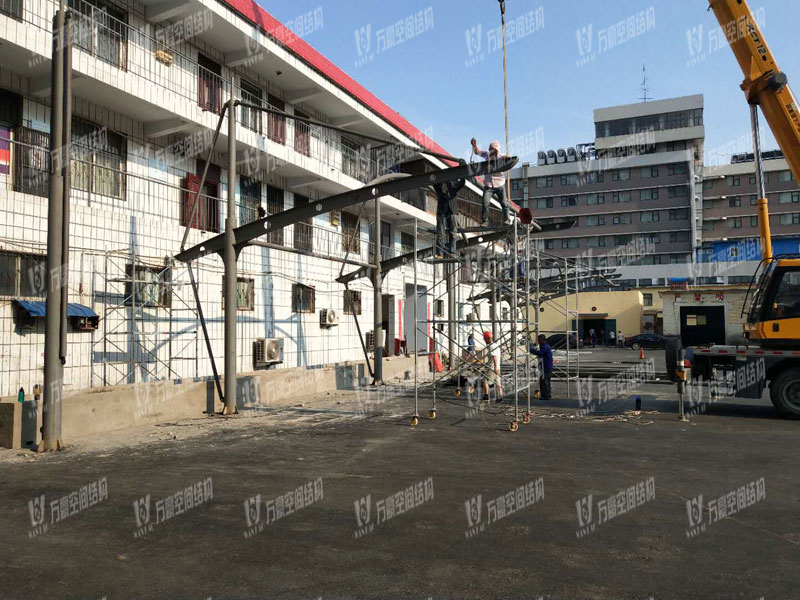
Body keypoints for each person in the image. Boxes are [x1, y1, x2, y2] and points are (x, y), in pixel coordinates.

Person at [470, 138, 512, 225]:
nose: (492, 152)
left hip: (500, 184)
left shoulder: (500, 156)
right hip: (488, 185)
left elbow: (506, 158)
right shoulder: (487, 155)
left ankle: (507, 219)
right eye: (491, 150)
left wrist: (507, 158)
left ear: (497, 150)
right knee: (485, 203)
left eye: (494, 150)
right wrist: (474, 146)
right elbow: (477, 152)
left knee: (504, 203)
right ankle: (485, 221)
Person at [433, 178, 465, 258]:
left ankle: (452, 252)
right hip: (442, 212)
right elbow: (434, 182)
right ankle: (440, 253)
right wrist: (439, 177)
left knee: (453, 233)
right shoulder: (439, 187)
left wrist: (462, 173)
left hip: (452, 211)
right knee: (440, 233)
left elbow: (462, 183)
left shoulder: (453, 187)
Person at [481, 331, 504, 402]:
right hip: (497, 367)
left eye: (485, 339)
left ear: (488, 338)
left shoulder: (492, 347)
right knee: (498, 382)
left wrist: (495, 367)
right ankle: (500, 397)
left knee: (485, 381)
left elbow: (494, 357)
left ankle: (486, 396)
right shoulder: (496, 345)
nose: (484, 340)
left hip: (492, 368)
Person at [529, 334, 553, 401]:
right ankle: (545, 395)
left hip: (546, 367)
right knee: (543, 382)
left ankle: (546, 396)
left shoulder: (545, 346)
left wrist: (531, 349)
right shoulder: (544, 346)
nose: (538, 341)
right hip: (544, 366)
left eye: (539, 340)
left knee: (545, 382)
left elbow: (540, 353)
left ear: (543, 340)